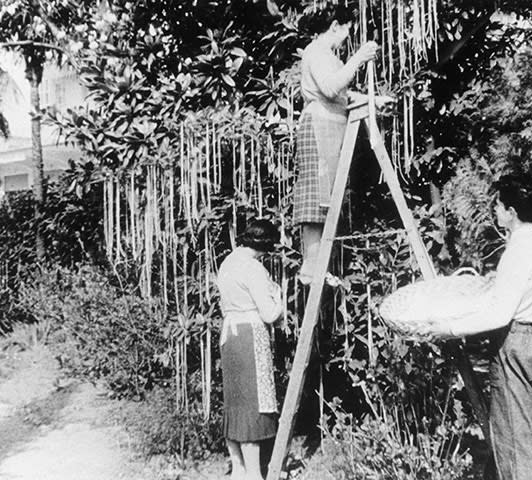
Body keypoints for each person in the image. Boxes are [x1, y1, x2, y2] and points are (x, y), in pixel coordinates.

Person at [415, 173, 532, 480]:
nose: (494, 210)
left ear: (511, 212)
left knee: (516, 441)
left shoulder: (518, 252)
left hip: (515, 341)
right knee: (516, 426)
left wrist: (450, 328)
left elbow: (498, 316)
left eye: (498, 205)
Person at [293, 4, 379, 284]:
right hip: (318, 125)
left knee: (328, 198)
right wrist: (359, 58)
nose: (348, 34)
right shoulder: (316, 52)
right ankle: (310, 268)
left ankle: (317, 267)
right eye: (346, 29)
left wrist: (373, 100)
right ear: (334, 26)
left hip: (332, 125)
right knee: (314, 199)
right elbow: (330, 88)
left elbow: (339, 93)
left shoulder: (327, 56)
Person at [217, 219, 282, 480]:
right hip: (249, 336)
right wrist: (278, 298)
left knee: (234, 402)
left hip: (230, 335)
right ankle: (254, 474)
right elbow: (268, 314)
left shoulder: (228, 262)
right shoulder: (253, 268)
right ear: (264, 247)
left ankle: (239, 469)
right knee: (253, 403)